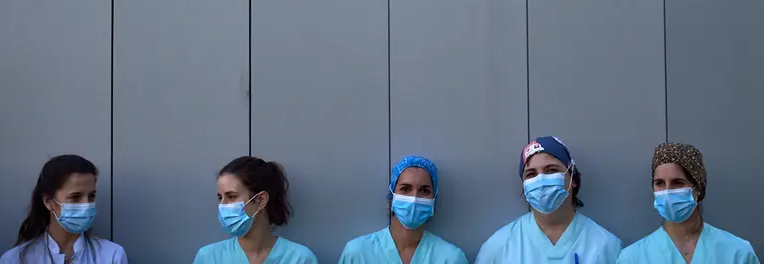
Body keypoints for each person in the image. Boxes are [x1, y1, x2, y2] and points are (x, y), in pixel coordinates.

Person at [476, 136, 622, 263]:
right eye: (531, 174)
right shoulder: (498, 248)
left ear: (573, 178)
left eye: (551, 170)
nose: (541, 180)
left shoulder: (606, 247)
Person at [616, 143, 760, 264]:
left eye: (678, 183)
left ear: (698, 189)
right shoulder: (633, 258)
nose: (667, 192)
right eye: (659, 183)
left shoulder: (737, 253)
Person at [0, 154, 128, 264]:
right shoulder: (16, 259)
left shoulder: (112, 256)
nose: (86, 205)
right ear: (49, 202)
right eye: (75, 197)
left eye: (91, 196)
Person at [338, 155, 468, 264]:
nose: (414, 198)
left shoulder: (450, 259)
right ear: (392, 195)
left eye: (424, 190)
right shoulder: (357, 254)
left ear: (433, 199)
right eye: (405, 189)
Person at [192, 156, 317, 264]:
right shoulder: (209, 257)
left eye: (231, 196)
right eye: (220, 197)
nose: (223, 205)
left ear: (261, 200)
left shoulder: (299, 259)